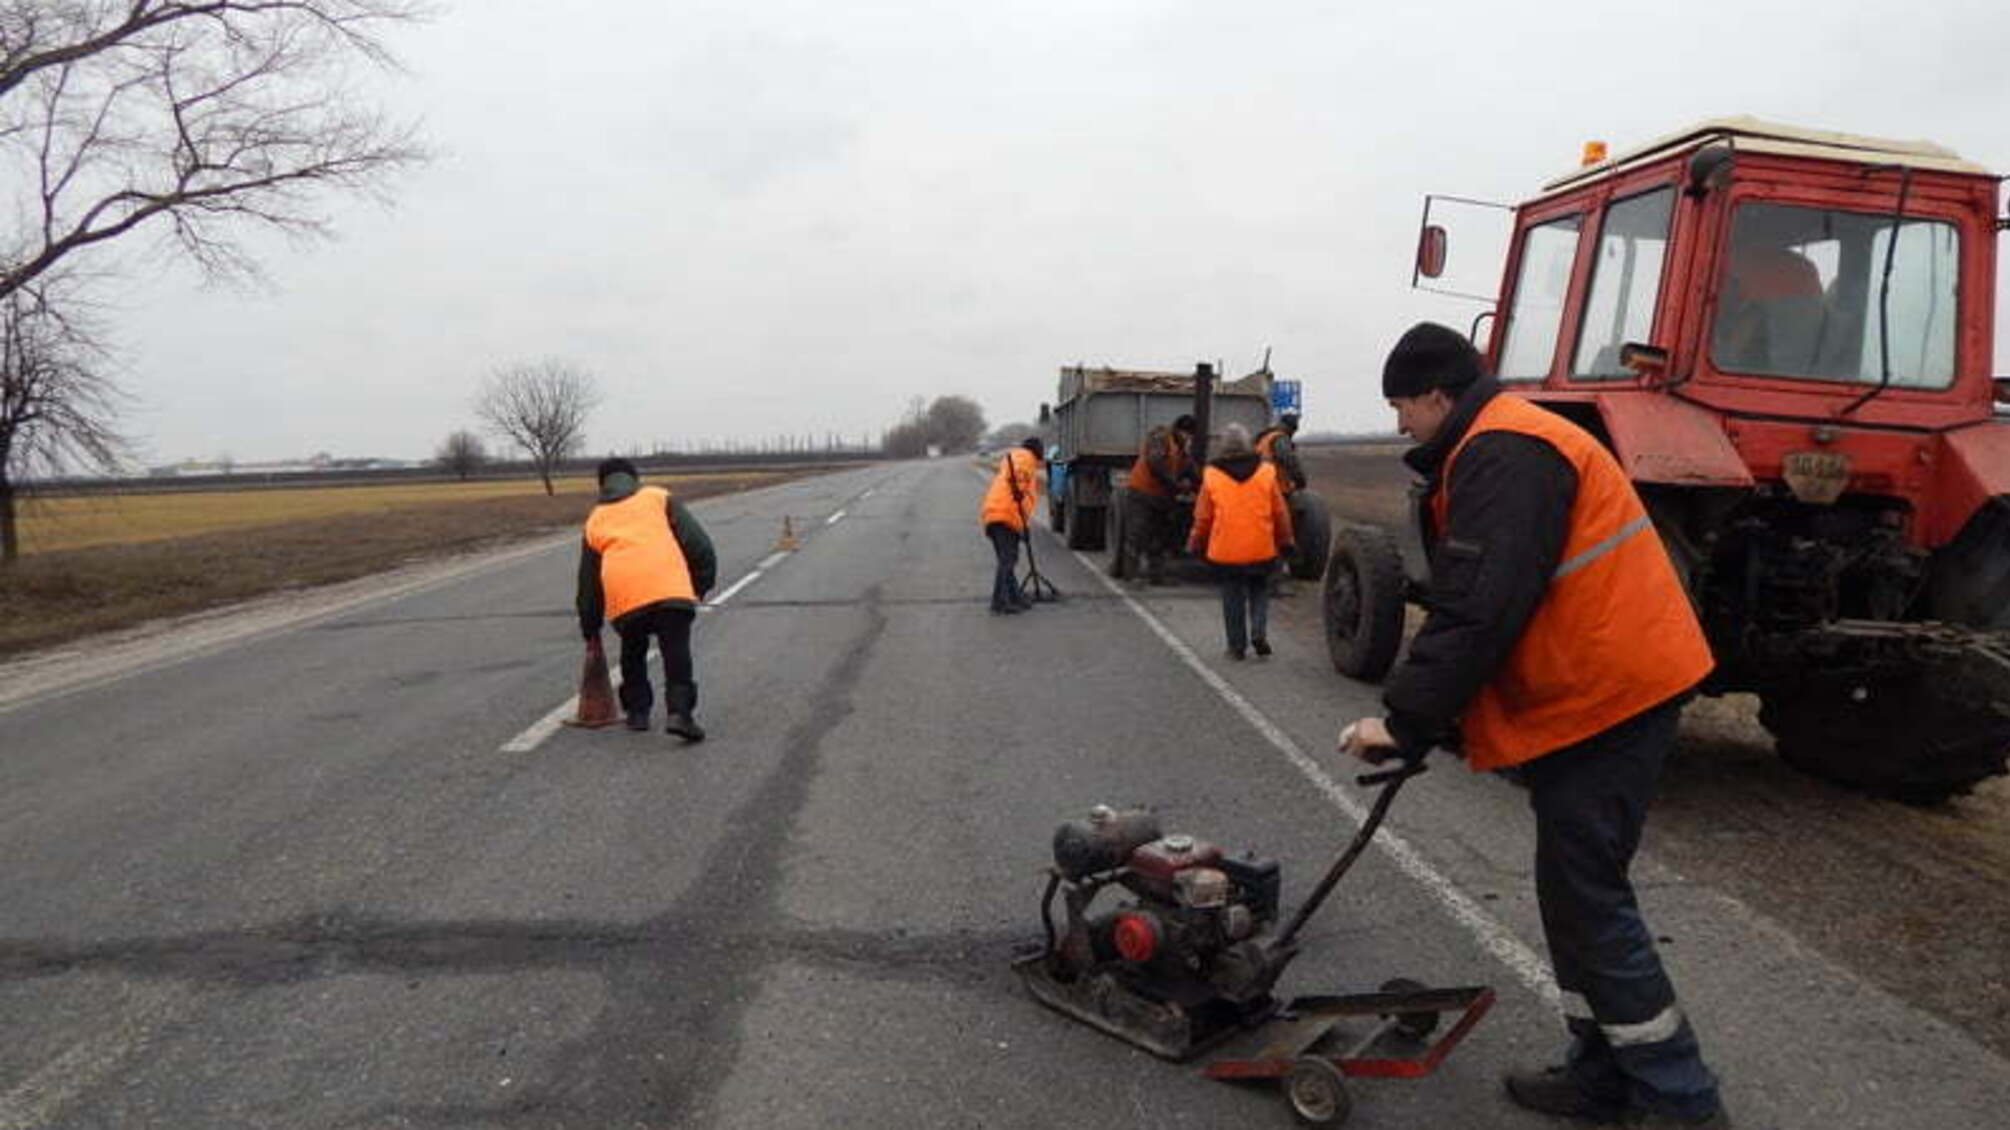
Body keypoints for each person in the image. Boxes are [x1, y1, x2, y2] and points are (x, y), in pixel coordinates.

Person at [1338, 323, 1728, 1128]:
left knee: (1588, 897)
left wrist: (1404, 722)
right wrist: (1439, 724)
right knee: (1570, 894)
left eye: (1402, 406)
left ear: (1438, 395)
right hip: (1590, 690)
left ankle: (1682, 1104)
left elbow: (1478, 606)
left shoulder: (1506, 449)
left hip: (1611, 695)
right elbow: (1495, 607)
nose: (1401, 424)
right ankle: (1599, 1076)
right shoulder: (1497, 441)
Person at [577, 457, 718, 741]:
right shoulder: (658, 498)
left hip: (626, 595)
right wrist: (700, 585)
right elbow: (698, 543)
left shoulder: (595, 519)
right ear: (634, 478)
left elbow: (588, 583)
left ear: (602, 484)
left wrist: (590, 627)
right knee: (675, 649)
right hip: (670, 587)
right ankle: (680, 713)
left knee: (633, 649)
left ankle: (638, 713)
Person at [1187, 423, 1293, 660]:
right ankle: (1258, 631)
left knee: (1232, 596)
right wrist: (1286, 541)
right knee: (1260, 589)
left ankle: (1236, 647)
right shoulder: (1266, 472)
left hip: (1226, 551)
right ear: (1248, 445)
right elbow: (1280, 513)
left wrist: (1195, 542)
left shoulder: (1212, 475)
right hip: (1261, 548)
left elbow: (1203, 517)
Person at [1125, 414, 1198, 584]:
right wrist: (1175, 485)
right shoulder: (1161, 438)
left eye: (1190, 436)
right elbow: (1155, 464)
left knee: (1158, 537)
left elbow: (1189, 468)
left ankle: (1156, 576)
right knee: (1137, 534)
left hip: (1160, 497)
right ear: (1180, 430)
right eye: (1187, 434)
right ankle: (1131, 574)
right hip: (1142, 493)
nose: (1189, 438)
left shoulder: (1181, 447)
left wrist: (1200, 483)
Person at [980, 436, 1044, 614]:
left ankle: (1014, 596)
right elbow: (1018, 492)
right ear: (1037, 452)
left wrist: (1024, 526)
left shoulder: (1015, 458)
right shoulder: (1025, 461)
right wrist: (1021, 526)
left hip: (994, 513)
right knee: (1007, 560)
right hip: (1005, 514)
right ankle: (999, 603)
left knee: (1007, 559)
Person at [1254, 411, 1308, 494]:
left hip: (1261, 483)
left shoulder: (1265, 437)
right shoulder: (1280, 438)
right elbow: (1289, 460)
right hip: (1276, 486)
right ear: (1291, 428)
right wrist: (1300, 480)